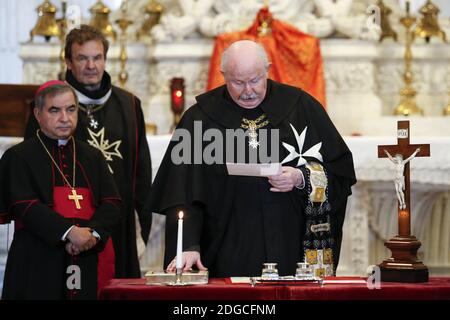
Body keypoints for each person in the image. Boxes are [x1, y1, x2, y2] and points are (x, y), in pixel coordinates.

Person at [150, 40, 356, 277]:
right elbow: (180, 191)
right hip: (224, 248)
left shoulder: (301, 107)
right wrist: (188, 246)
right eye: (237, 82)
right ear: (223, 75)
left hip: (292, 248)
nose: (248, 91)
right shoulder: (199, 119)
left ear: (267, 69)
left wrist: (301, 177)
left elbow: (341, 170)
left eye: (255, 80)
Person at [25, 25, 152, 278]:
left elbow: (141, 171)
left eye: (97, 57)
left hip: (117, 222)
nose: (91, 65)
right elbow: (33, 166)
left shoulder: (129, 105)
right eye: (82, 58)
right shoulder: (50, 104)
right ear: (69, 62)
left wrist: (142, 224)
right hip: (68, 227)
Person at [0, 81, 121, 299]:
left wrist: (91, 235)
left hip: (87, 256)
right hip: (38, 258)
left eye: (71, 109)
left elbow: (112, 203)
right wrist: (69, 233)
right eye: (54, 110)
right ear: (38, 114)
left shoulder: (92, 156)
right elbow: (24, 205)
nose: (65, 118)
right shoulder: (18, 156)